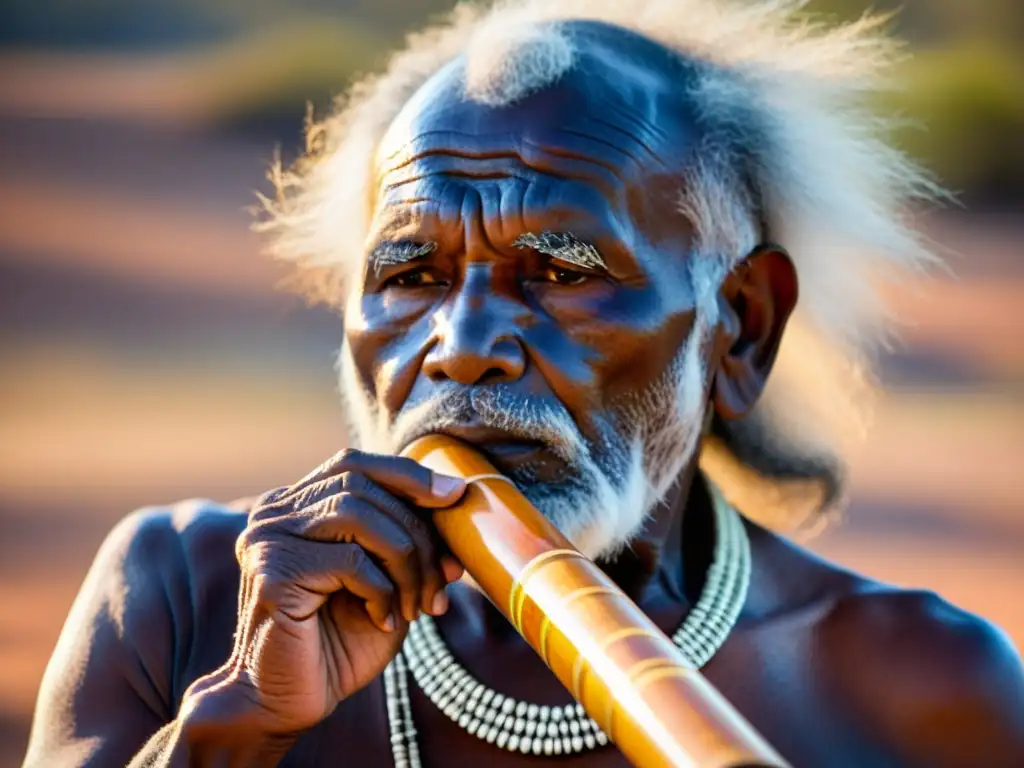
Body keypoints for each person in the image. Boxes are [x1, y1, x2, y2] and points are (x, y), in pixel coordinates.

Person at [23, 2, 1024, 766]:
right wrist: (228, 732)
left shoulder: (924, 687)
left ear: (741, 327)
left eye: (561, 272)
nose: (462, 347)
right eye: (409, 276)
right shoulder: (179, 597)